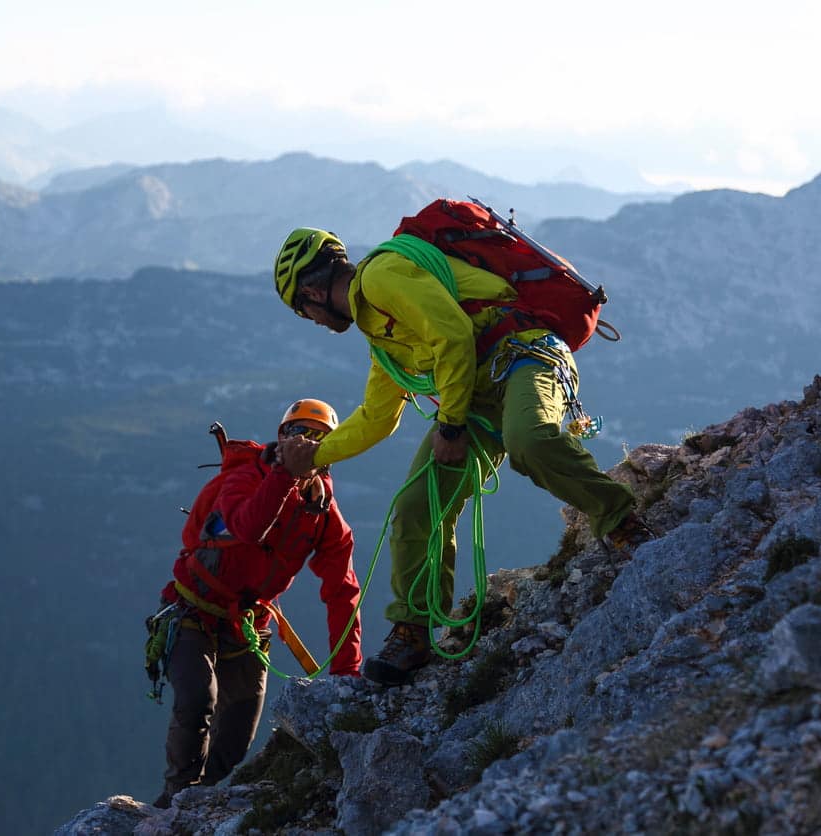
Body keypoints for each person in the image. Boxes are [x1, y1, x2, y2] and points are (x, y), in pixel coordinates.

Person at [271, 228, 650, 687]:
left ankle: (623, 521)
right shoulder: (381, 337)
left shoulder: (382, 277)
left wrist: (450, 424)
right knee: (417, 506)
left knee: (530, 441)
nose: (310, 319)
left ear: (311, 292)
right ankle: (414, 628)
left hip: (526, 352)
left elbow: (452, 334)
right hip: (477, 391)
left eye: (302, 309)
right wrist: (314, 456)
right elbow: (376, 417)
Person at [152, 398, 361, 807]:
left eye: (318, 437)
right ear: (281, 437)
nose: (307, 442)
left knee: (235, 739)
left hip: (248, 622)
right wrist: (284, 475)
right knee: (196, 701)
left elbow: (342, 591)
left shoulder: (323, 515)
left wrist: (346, 673)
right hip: (192, 609)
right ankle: (175, 799)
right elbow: (249, 527)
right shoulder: (244, 477)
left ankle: (198, 801)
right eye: (298, 432)